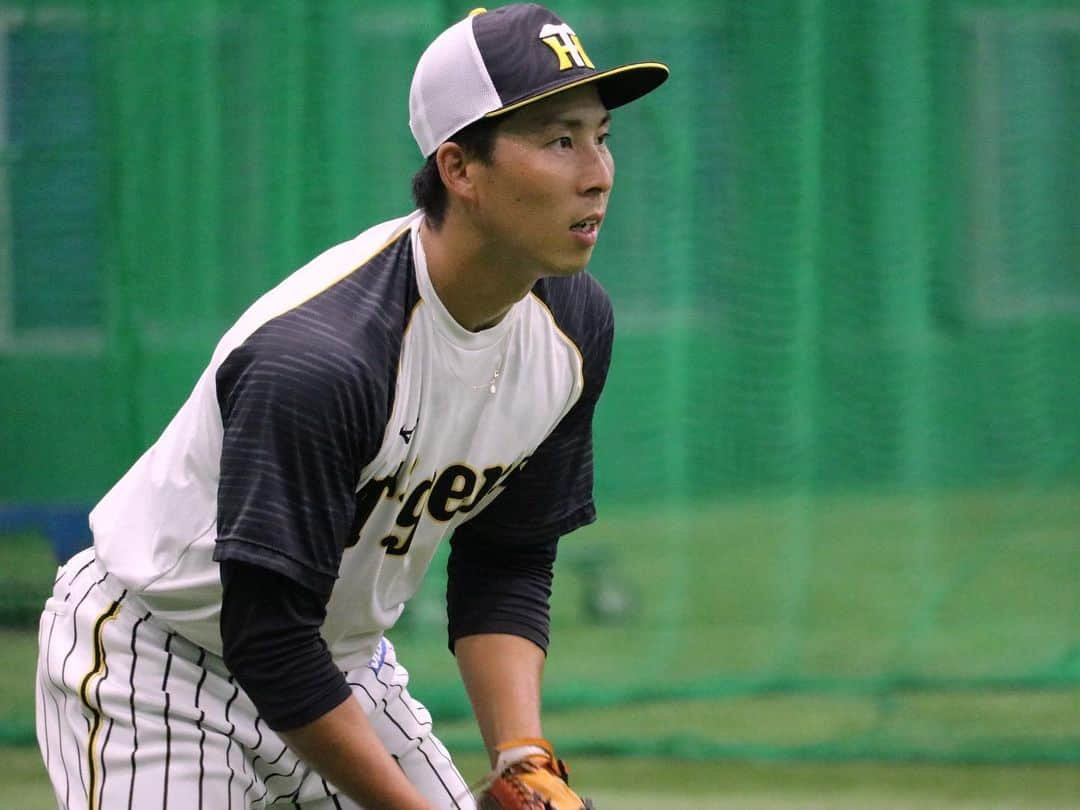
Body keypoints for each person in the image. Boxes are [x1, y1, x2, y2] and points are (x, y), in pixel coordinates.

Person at [35, 4, 668, 808]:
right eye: (558, 140)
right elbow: (264, 635)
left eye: (601, 136)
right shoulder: (323, 359)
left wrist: (522, 754)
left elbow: (507, 553)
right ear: (460, 168)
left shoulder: (572, 327)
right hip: (158, 670)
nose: (598, 172)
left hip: (339, 666)